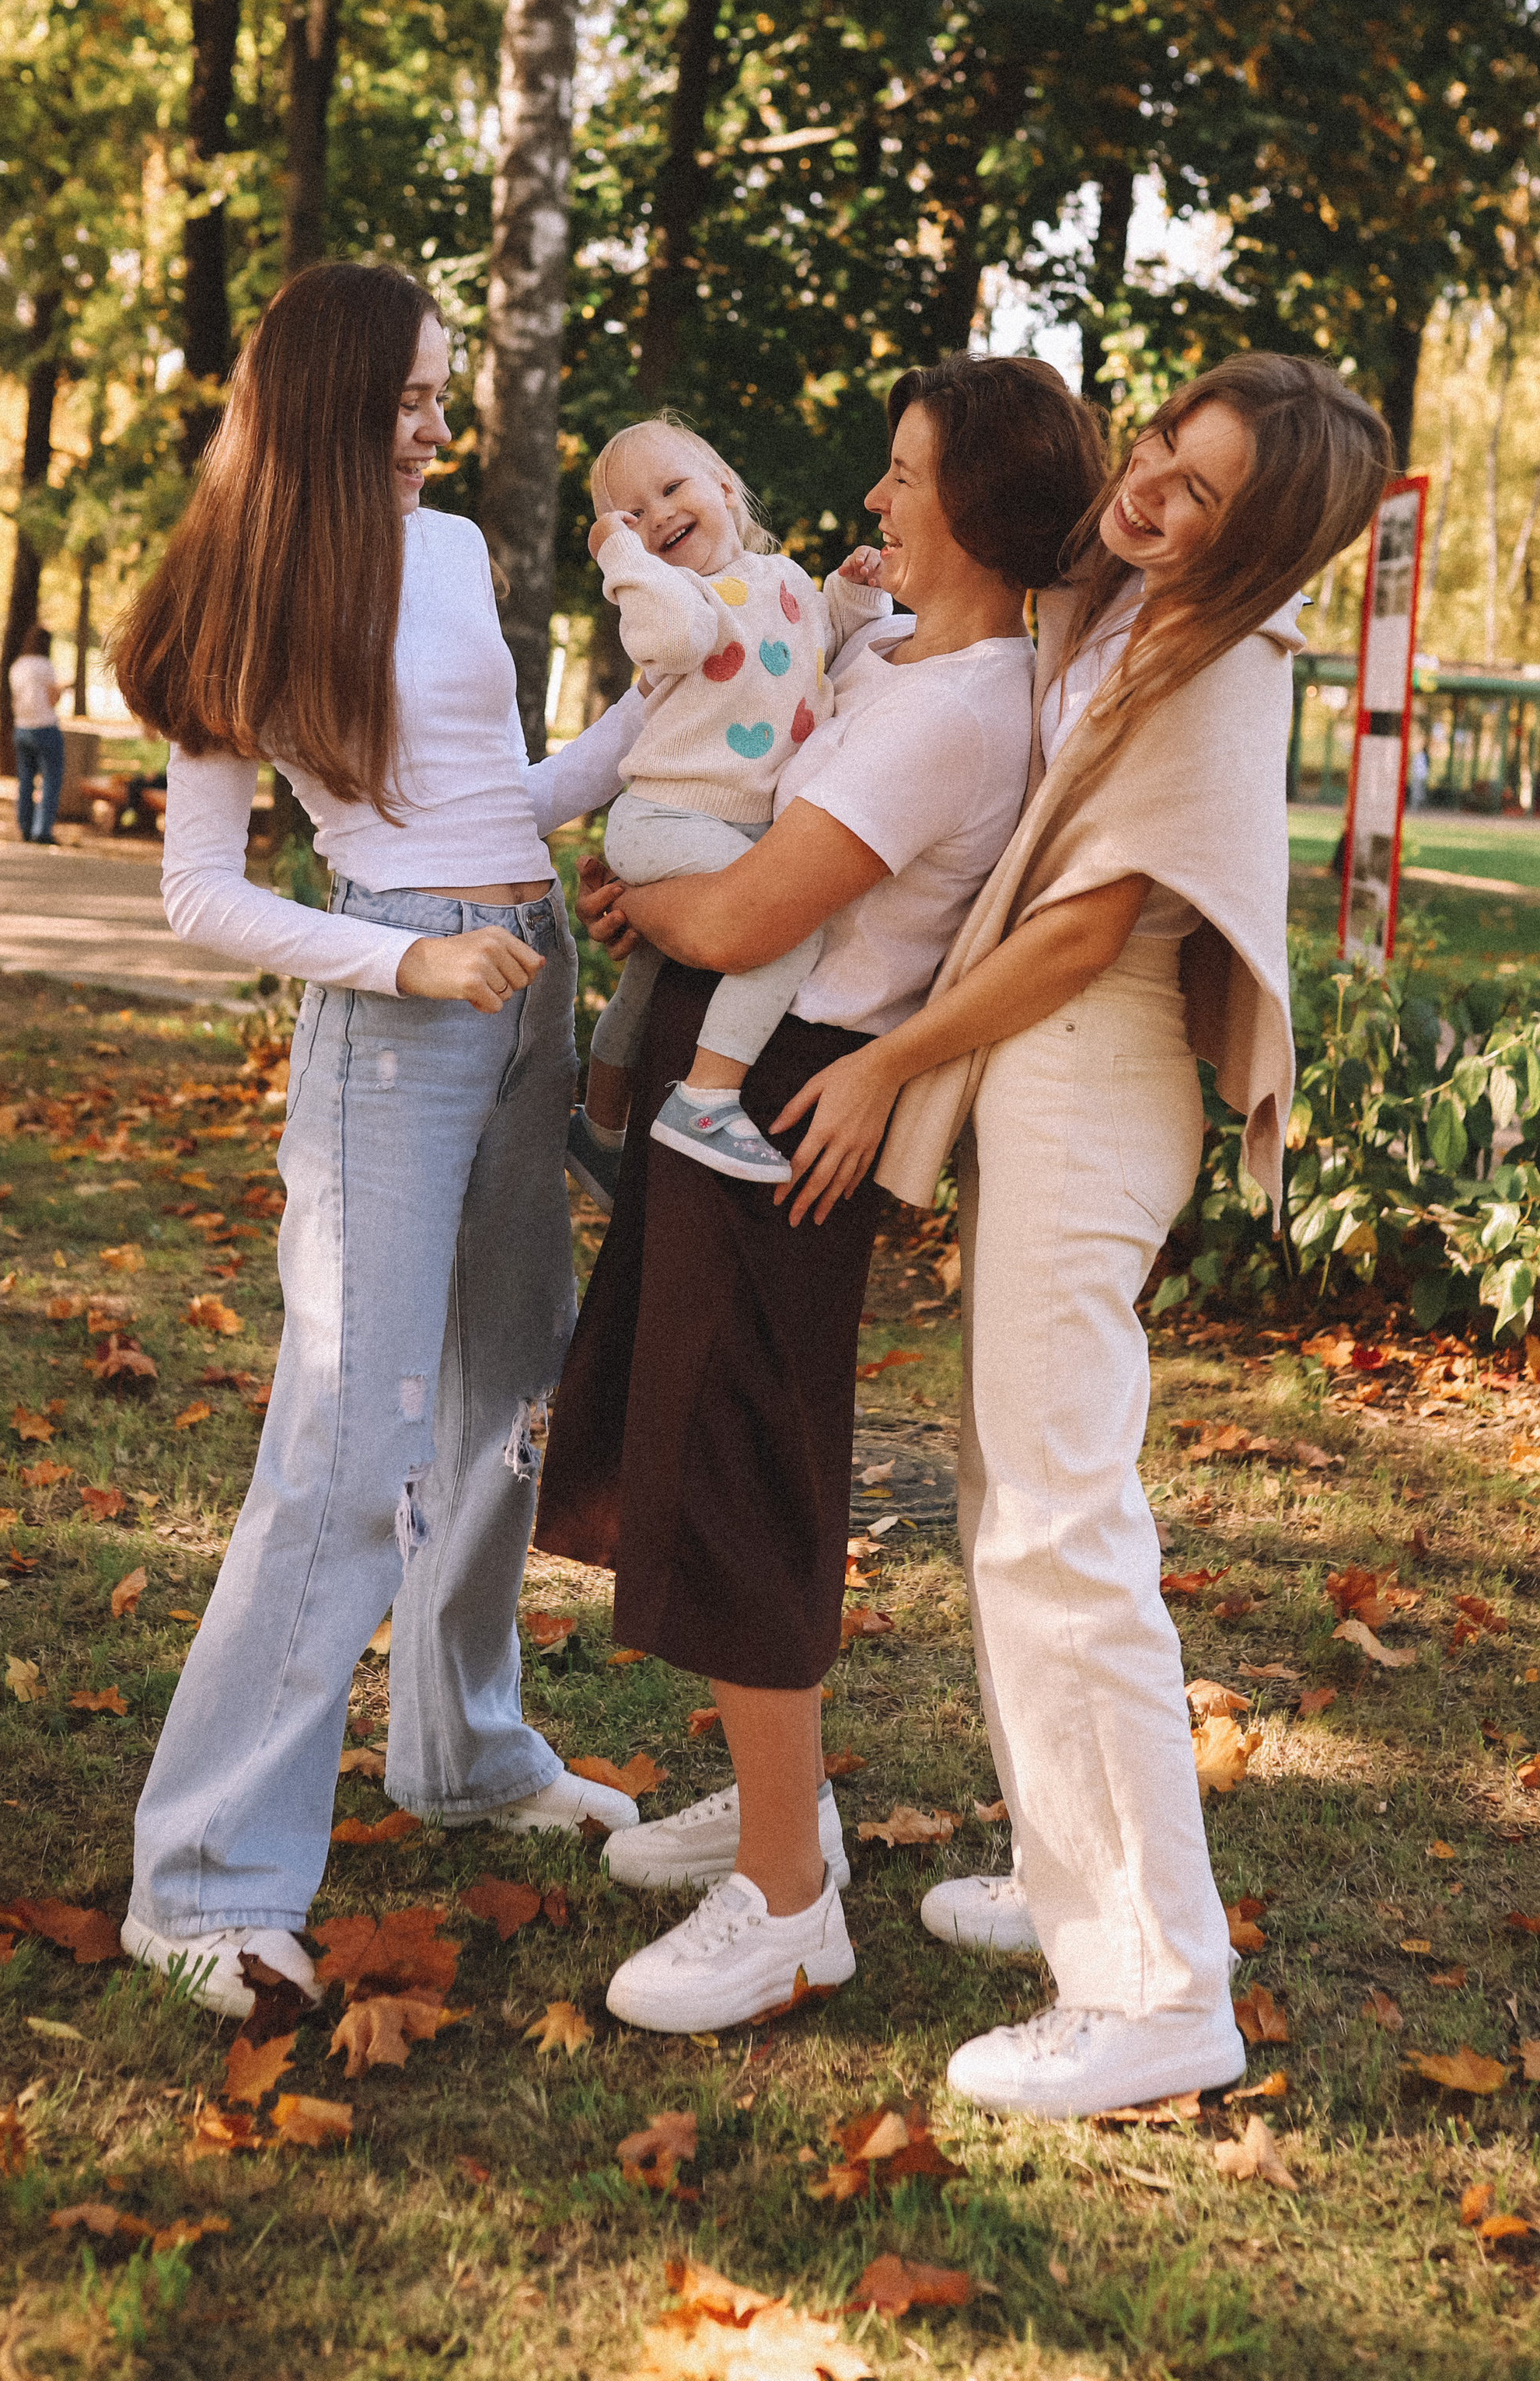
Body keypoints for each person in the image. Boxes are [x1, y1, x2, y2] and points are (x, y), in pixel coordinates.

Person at [770, 352, 1392, 2116]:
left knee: (1060, 1522)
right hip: (1041, 1080)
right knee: (1005, 1497)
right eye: (1156, 455)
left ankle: (1150, 1991)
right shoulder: (1122, 618)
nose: (1150, 494)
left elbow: (1075, 932)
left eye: (1200, 494)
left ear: (1263, 541)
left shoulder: (1216, 668)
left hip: (1088, 1071)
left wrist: (888, 1058)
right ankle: (1069, 1879)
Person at [535, 355, 1106, 2032]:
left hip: (787, 1104)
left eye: (905, 477)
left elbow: (742, 913)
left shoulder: (950, 707)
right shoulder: (904, 656)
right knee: (686, 1428)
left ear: (984, 513)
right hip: (757, 1076)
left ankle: (787, 1901)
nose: (873, 500)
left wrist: (667, 892)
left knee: (734, 1464)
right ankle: (784, 1809)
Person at [110, 260, 647, 2020]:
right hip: (396, 1022)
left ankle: (467, 1748)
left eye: (442, 392)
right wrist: (404, 952)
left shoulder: (452, 553)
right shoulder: (239, 581)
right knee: (350, 1442)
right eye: (413, 397)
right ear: (337, 401)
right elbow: (199, 892)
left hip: (528, 970)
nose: (442, 424)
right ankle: (201, 1877)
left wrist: (689, 688)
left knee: (507, 1390)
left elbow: (508, 796)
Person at [566, 415, 889, 1202]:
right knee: (784, 924)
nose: (658, 515)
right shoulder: (674, 602)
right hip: (666, 820)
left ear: (723, 486)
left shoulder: (782, 580)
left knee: (643, 981)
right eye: (633, 514)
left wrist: (855, 590)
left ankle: (596, 1131)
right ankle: (707, 1097)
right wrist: (620, 556)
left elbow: (828, 644)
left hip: (728, 825)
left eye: (672, 488)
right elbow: (678, 638)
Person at [9, 623, 65, 842]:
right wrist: (61, 691)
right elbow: (52, 699)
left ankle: (24, 824)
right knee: (51, 778)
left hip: (22, 727)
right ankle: (42, 830)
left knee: (25, 779)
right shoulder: (44, 665)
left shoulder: (18, 666)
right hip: (45, 726)